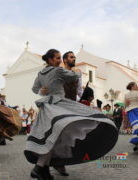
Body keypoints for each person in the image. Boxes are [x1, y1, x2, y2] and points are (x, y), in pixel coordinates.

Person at [24, 49, 118, 180]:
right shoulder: (58, 70)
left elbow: (34, 89)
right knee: (61, 134)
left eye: (59, 58)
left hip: (47, 106)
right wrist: (79, 72)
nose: (59, 61)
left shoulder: (40, 73)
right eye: (57, 58)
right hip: (58, 104)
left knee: (53, 137)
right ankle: (39, 168)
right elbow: (74, 77)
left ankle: (42, 168)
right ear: (50, 60)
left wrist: (41, 91)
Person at [125, 82, 138, 150]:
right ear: (132, 87)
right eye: (136, 85)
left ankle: (136, 142)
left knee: (135, 126)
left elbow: (126, 105)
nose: (137, 86)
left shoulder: (126, 95)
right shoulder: (137, 93)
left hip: (130, 111)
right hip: (136, 109)